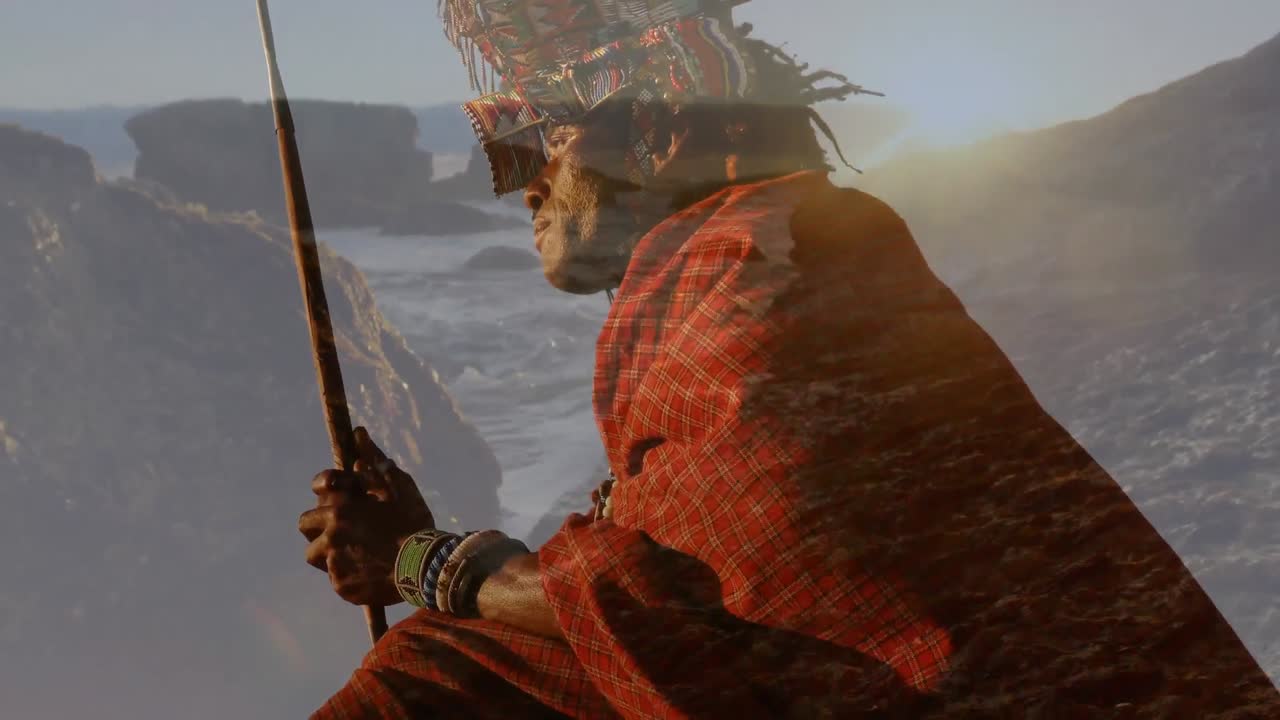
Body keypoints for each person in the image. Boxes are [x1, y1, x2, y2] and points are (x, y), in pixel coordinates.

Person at [298, 2, 1280, 717]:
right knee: (443, 669)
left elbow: (693, 622)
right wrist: (425, 568)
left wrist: (418, 560)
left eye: (536, 141)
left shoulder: (771, 268)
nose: (517, 184)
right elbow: (685, 563)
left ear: (649, 133)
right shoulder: (749, 266)